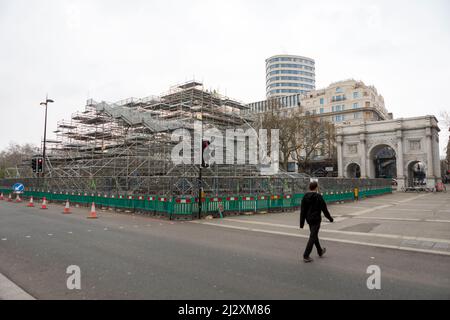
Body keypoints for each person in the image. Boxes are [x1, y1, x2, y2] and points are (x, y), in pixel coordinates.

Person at [300, 181, 334, 263]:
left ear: (309, 187)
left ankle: (320, 251)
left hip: (309, 219)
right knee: (312, 236)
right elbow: (324, 209)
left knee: (314, 235)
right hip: (316, 219)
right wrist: (330, 218)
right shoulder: (318, 196)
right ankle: (306, 255)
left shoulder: (305, 196)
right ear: (316, 188)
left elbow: (303, 210)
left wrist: (302, 223)